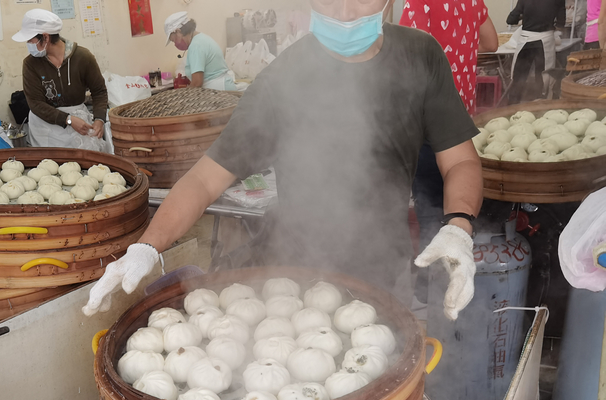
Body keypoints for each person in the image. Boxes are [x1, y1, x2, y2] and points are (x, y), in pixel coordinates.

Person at [84, 0, 483, 322]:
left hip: (385, 269)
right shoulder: (283, 81)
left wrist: (458, 229)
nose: (344, 13)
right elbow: (205, 180)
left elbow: (460, 161)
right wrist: (145, 248)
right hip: (297, 282)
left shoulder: (420, 56)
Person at [400, 0, 497, 303]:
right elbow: (492, 42)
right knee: (456, 210)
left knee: (431, 210)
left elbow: (406, 61)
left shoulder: (419, 3)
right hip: (463, 120)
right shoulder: (472, 1)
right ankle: (453, 283)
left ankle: (431, 291)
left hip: (427, 122)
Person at [12, 9, 108, 150]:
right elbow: (35, 103)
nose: (28, 44)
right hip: (45, 127)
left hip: (79, 124)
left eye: (30, 39)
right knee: (49, 166)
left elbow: (99, 91)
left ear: (45, 38)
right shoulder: (31, 64)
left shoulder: (83, 57)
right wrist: (68, 119)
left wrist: (99, 119)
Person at [506, 0, 566, 103]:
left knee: (519, 77)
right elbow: (561, 24)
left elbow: (510, 20)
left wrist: (524, 16)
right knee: (544, 76)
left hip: (525, 40)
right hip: (546, 40)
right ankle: (542, 104)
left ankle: (513, 105)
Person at [165, 12, 237, 91]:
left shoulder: (196, 46)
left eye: (173, 40)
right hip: (220, 88)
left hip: (219, 91)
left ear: (178, 32)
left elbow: (197, 82)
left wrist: (185, 95)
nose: (175, 44)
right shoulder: (200, 39)